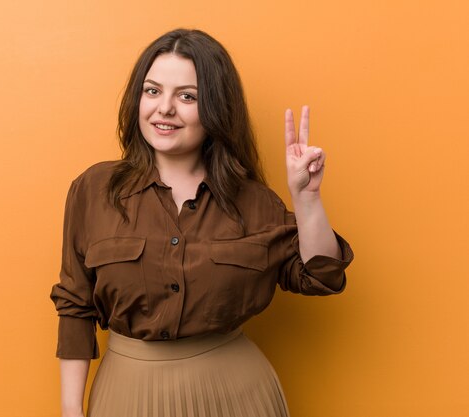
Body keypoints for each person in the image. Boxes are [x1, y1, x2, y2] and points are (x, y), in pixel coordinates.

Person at [50, 28, 354, 417]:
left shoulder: (255, 202)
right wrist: (70, 409)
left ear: (216, 109)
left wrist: (307, 198)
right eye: (153, 91)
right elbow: (75, 306)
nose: (164, 109)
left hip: (236, 395)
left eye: (187, 96)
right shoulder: (95, 190)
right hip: (128, 396)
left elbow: (321, 276)